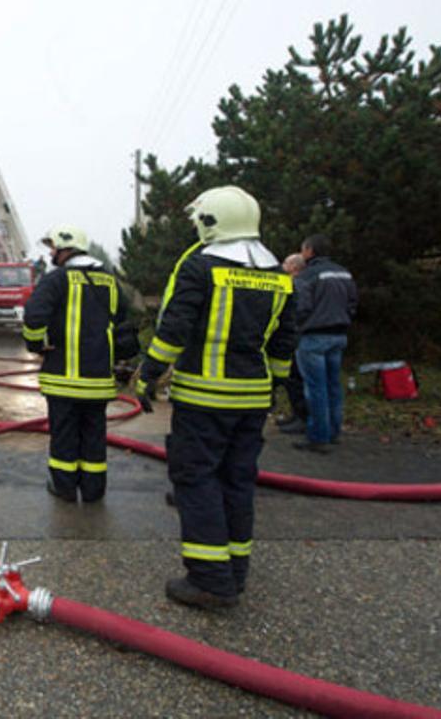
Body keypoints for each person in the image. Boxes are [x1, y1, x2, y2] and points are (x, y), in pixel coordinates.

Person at [134, 186, 296, 609]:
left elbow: (175, 329)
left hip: (204, 399)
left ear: (210, 221)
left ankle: (209, 579)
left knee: (196, 479)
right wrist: (276, 387)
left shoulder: (201, 267)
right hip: (253, 400)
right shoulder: (278, 274)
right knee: (237, 480)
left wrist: (148, 374)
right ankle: (235, 571)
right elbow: (283, 344)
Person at [23, 226, 129, 503]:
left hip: (63, 379)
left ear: (66, 249)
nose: (50, 253)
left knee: (64, 436)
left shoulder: (56, 280)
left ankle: (65, 488)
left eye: (53, 248)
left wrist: (35, 345)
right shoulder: (110, 282)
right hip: (98, 380)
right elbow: (123, 325)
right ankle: (94, 491)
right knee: (94, 435)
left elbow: (34, 318)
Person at [293, 234, 358, 452]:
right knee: (333, 386)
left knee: (315, 388)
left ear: (309, 250)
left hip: (313, 337)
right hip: (339, 335)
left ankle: (318, 436)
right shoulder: (344, 272)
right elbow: (353, 302)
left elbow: (300, 307)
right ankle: (333, 431)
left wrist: (295, 327)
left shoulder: (307, 275)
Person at [275, 253, 309, 434]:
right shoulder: (297, 283)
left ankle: (302, 417)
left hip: (296, 337)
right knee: (291, 381)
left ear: (294, 267)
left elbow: (298, 311)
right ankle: (296, 415)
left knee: (295, 379)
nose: (282, 265)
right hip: (296, 336)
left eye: (286, 262)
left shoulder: (297, 285)